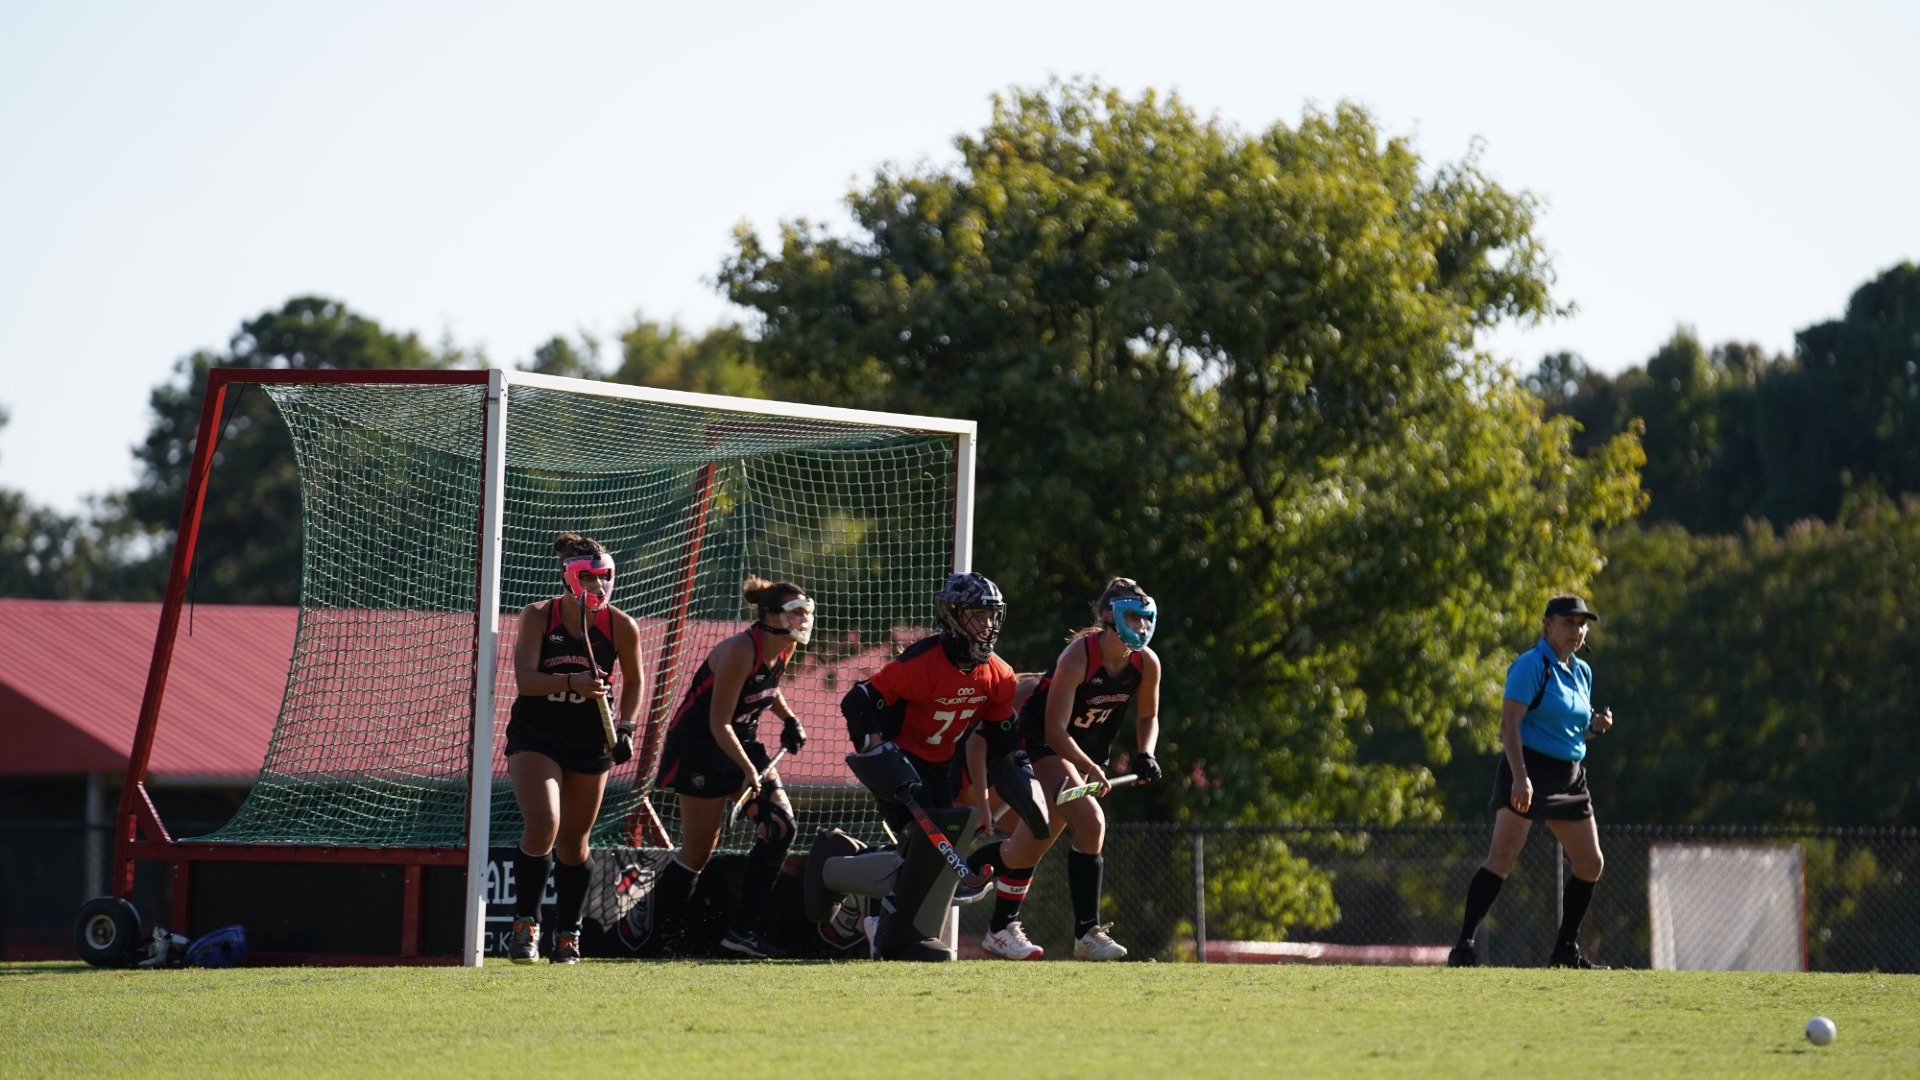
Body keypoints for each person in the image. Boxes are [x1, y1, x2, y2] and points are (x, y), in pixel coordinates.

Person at [975, 576, 1164, 961]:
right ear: (1109, 616)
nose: (1142, 627)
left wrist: (1147, 753)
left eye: (1147, 619)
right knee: (1092, 822)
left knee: (1027, 847)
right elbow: (1054, 730)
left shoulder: (1146, 663)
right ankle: (1087, 934)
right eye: (1134, 617)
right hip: (1043, 743)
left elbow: (1149, 716)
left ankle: (989, 912)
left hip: (1082, 754)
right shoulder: (1079, 656)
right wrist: (1090, 767)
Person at [840, 571, 1023, 959]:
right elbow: (857, 701)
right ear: (953, 616)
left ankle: (894, 923)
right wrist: (876, 750)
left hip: (941, 763)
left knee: (935, 852)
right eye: (978, 614)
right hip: (901, 761)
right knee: (919, 846)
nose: (987, 624)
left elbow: (1001, 735)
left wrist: (1023, 767)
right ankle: (874, 915)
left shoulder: (999, 674)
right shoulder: (919, 664)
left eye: (992, 615)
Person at [1449, 594, 1616, 969]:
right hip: (1529, 768)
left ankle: (1565, 950)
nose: (1577, 630)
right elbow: (1509, 724)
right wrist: (1521, 778)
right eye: (1568, 622)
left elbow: (1570, 726)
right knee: (1502, 857)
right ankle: (1464, 945)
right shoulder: (1530, 665)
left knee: (1590, 863)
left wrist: (1594, 727)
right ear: (1548, 624)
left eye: (1581, 624)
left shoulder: (1582, 671)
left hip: (1570, 775)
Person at [651, 577, 814, 958]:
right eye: (796, 613)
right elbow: (718, 722)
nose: (804, 620)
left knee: (780, 827)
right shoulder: (741, 649)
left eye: (807, 611)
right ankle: (664, 936)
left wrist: (789, 718)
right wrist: (748, 770)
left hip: (743, 740)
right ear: (771, 616)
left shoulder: (784, 647)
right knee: (698, 851)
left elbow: (765, 688)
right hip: (702, 747)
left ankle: (742, 932)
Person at [504, 534, 645, 964]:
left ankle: (568, 933)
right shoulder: (538, 616)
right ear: (569, 578)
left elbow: (635, 683)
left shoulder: (621, 626)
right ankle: (525, 926)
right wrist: (572, 683)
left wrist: (625, 728)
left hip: (588, 744)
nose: (599, 587)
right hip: (537, 737)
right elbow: (526, 680)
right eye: (589, 577)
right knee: (544, 824)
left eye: (604, 578)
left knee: (574, 844)